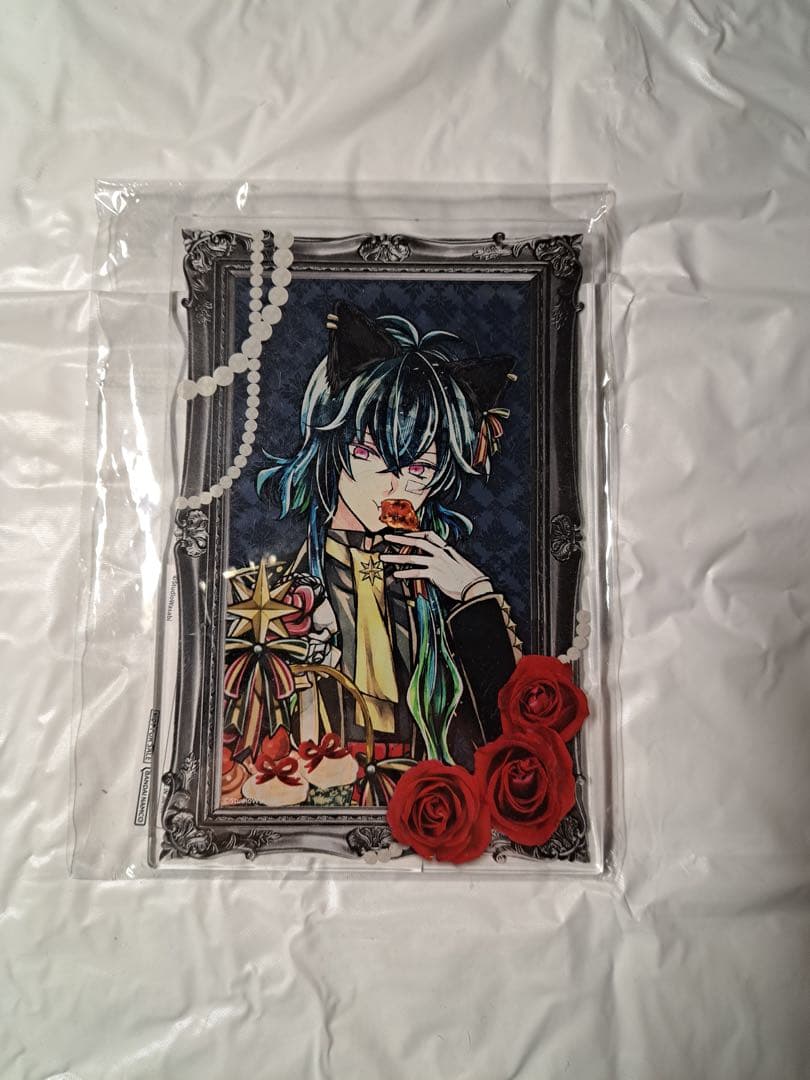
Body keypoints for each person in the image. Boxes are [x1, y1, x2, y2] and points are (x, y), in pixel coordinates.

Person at [255, 299, 521, 773]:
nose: (394, 487)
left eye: (420, 469)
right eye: (371, 454)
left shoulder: (439, 596)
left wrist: (473, 596)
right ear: (334, 448)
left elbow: (506, 739)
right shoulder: (276, 598)